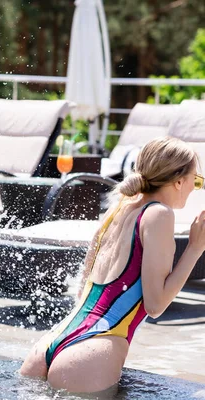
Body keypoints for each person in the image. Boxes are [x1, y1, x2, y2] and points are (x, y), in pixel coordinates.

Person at [20, 136, 205, 393]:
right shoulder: (159, 215)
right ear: (178, 181)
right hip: (93, 351)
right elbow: (155, 305)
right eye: (196, 181)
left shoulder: (119, 208)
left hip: (50, 344)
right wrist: (195, 248)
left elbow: (82, 287)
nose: (195, 188)